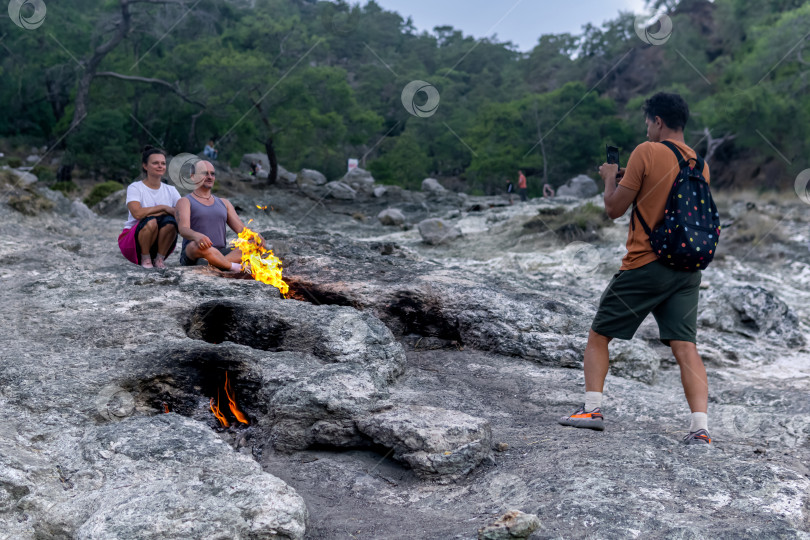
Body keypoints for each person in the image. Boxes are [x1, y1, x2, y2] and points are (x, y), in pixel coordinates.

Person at [557, 92, 712, 444]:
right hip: (687, 267)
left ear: (658, 121)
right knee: (685, 346)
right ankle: (699, 428)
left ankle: (591, 409)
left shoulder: (645, 152)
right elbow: (669, 198)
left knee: (599, 335)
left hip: (646, 264)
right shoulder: (698, 163)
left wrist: (611, 176)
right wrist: (634, 178)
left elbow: (613, 208)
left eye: (647, 123)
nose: (646, 130)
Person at [176, 160, 264, 271]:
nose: (209, 177)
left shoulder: (224, 203)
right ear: (193, 176)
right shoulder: (185, 201)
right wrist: (197, 236)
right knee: (195, 245)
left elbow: (241, 230)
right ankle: (230, 265)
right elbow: (183, 229)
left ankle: (217, 263)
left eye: (212, 174)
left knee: (256, 244)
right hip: (197, 252)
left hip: (220, 251)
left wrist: (254, 236)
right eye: (204, 173)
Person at [118, 146, 180, 269]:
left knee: (171, 223)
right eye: (155, 163)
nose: (160, 166)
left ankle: (159, 260)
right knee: (151, 222)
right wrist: (164, 208)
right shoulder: (135, 188)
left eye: (163, 163)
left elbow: (180, 214)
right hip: (133, 243)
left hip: (160, 243)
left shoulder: (171, 190)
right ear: (145, 166)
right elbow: (137, 214)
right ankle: (145, 259)